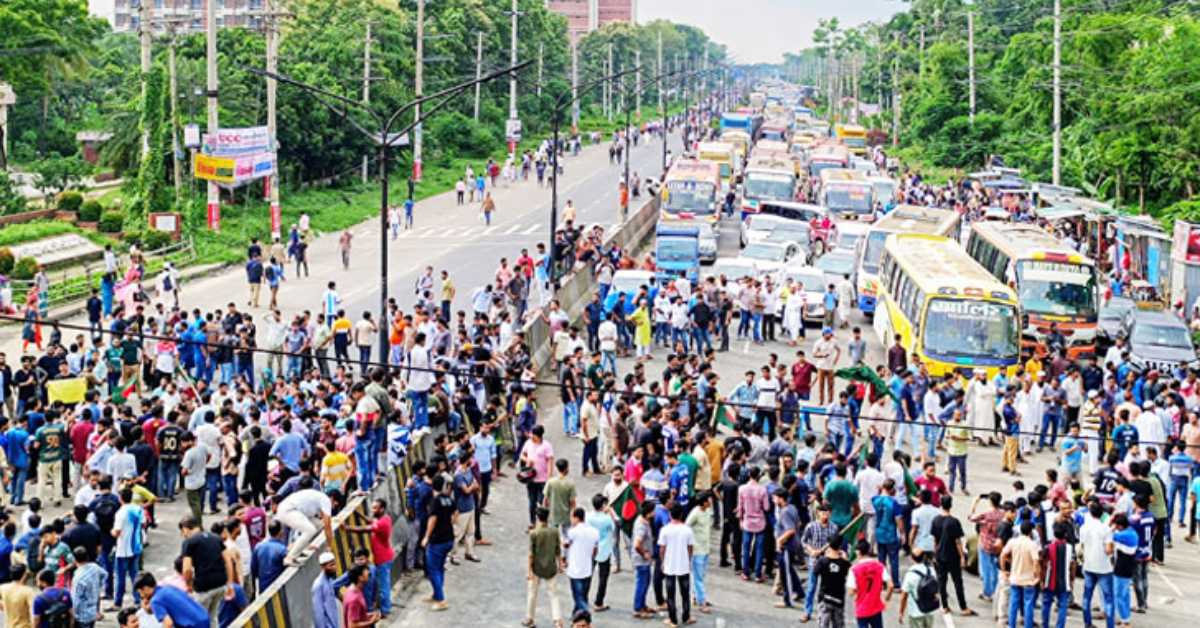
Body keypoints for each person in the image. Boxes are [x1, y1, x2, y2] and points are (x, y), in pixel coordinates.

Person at [930, 495, 975, 616]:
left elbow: (935, 540)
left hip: (940, 555)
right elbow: (957, 542)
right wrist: (961, 557)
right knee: (957, 583)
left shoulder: (935, 520)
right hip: (952, 556)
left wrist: (935, 554)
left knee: (942, 582)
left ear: (941, 504)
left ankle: (944, 606)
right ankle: (963, 607)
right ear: (951, 505)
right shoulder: (954, 522)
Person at [421, 474, 456, 612]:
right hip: (449, 538)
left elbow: (432, 519)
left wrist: (426, 537)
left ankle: (441, 600)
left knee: (432, 569)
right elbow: (455, 514)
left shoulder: (435, 501)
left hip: (437, 540)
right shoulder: (448, 499)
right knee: (439, 568)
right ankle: (437, 594)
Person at [523, 507, 563, 628]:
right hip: (551, 567)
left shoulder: (534, 533)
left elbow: (531, 554)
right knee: (554, 595)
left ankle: (530, 618)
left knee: (532, 593)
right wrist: (560, 565)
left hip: (536, 567)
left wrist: (529, 571)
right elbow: (558, 550)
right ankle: (557, 620)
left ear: (537, 518)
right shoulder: (554, 531)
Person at [1000, 521, 1040, 628]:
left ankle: (1011, 625)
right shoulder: (1032, 545)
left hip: (1015, 578)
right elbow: (1036, 561)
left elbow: (1003, 555)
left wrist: (1004, 571)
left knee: (1013, 604)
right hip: (1028, 580)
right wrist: (1037, 576)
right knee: (1028, 605)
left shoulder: (1013, 542)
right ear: (1030, 532)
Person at [848, 540, 892, 628]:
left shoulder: (854, 569)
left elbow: (850, 592)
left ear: (858, 552)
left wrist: (857, 592)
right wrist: (886, 598)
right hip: (875, 607)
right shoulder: (879, 566)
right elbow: (890, 585)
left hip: (862, 608)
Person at [564, 507, 599, 615]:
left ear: (576, 518)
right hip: (587, 568)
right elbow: (595, 551)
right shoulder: (594, 532)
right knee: (583, 594)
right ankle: (577, 614)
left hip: (575, 569)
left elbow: (566, 545)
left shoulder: (573, 532)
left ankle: (585, 614)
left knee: (578, 596)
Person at [813, 535, 851, 628]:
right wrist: (846, 560)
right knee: (838, 625)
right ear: (840, 546)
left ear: (829, 546)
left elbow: (815, 572)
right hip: (839, 599)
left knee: (823, 624)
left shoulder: (822, 561)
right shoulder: (843, 563)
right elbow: (851, 573)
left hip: (824, 598)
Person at [898, 548, 938, 628]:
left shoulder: (910, 574)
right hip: (930, 610)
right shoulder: (931, 570)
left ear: (912, 558)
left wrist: (901, 612)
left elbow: (904, 596)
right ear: (924, 557)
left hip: (916, 612)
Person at [70, 547, 105, 628]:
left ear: (74, 559)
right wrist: (97, 586)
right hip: (93, 612)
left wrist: (72, 619)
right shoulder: (94, 567)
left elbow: (75, 601)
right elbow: (104, 574)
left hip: (82, 616)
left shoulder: (78, 578)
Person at [312, 552, 341, 628]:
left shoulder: (330, 580)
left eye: (334, 564)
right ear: (323, 567)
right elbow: (318, 613)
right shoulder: (318, 585)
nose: (334, 567)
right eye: (331, 565)